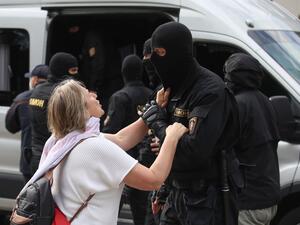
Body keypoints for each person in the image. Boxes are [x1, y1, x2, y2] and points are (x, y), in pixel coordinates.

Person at [29, 79, 187, 225]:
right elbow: (153, 180)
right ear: (80, 107)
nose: (94, 94)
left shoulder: (62, 140)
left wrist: (155, 107)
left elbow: (121, 139)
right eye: (87, 94)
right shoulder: (95, 147)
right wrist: (171, 137)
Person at [141, 22, 241, 225]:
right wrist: (162, 189)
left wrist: (159, 124)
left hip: (205, 198)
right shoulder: (170, 89)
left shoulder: (209, 90)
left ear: (179, 52)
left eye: (160, 53)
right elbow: (170, 148)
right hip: (175, 192)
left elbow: (194, 150)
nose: (155, 61)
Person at [223, 53, 280, 225]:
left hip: (248, 201)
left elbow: (220, 148)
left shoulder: (237, 105)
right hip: (268, 197)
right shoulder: (264, 100)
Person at [103, 54, 154, 225]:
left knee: (111, 211)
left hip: (124, 165)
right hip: (147, 163)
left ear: (123, 73)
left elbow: (110, 132)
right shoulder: (152, 95)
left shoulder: (119, 97)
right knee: (143, 213)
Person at [29, 52, 79, 175]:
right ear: (62, 70)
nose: (76, 75)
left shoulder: (37, 91)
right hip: (55, 161)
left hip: (37, 157)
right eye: (73, 70)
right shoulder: (63, 95)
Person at [5, 64, 49, 181]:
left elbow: (10, 126)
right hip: (52, 160)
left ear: (34, 80)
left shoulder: (22, 98)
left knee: (31, 196)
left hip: (29, 158)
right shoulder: (58, 97)